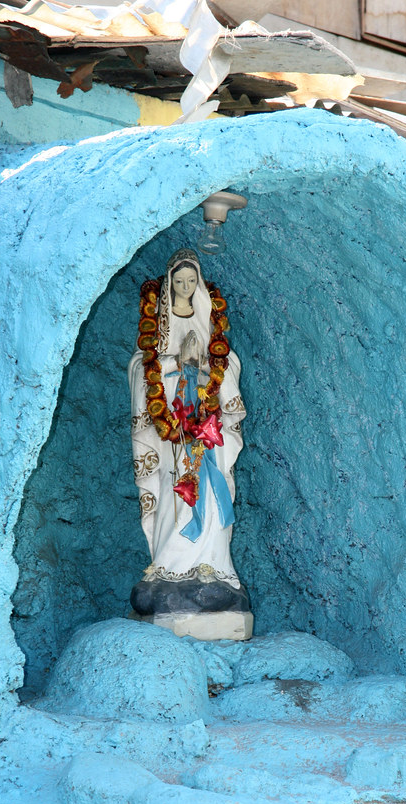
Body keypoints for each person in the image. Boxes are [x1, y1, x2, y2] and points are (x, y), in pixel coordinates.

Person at [128, 249, 246, 602]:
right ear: (168, 284)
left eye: (191, 281)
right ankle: (169, 564)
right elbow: (139, 368)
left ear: (199, 283)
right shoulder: (160, 325)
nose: (185, 286)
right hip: (173, 428)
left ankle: (210, 563)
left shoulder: (208, 320)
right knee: (173, 487)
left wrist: (205, 369)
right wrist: (177, 364)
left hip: (206, 424)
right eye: (178, 281)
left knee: (208, 488)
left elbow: (229, 364)